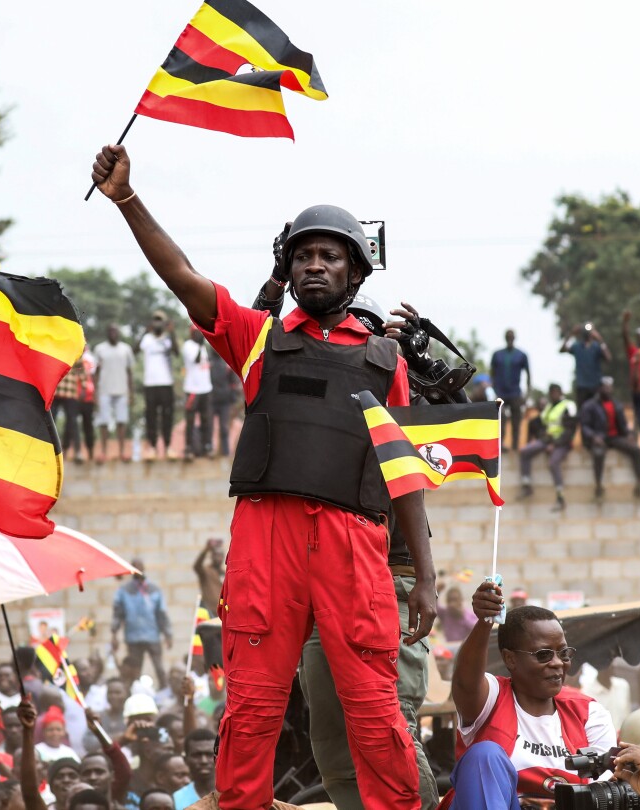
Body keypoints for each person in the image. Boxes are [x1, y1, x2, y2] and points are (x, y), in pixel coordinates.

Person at [92, 145, 433, 810]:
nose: (314, 264)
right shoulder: (257, 340)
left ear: (355, 271)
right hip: (266, 539)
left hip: (353, 545)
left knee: (374, 709)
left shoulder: (386, 361)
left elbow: (404, 476)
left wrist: (424, 573)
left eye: (329, 255)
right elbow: (184, 278)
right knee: (249, 711)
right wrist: (127, 200)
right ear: (287, 266)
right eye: (303, 254)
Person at [449, 584, 616, 810]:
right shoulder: (493, 697)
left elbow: (602, 793)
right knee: (484, 755)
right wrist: (484, 622)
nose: (557, 663)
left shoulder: (589, 713)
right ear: (510, 659)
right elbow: (465, 682)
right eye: (543, 654)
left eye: (563, 653)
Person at [579, 376, 640, 499]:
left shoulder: (616, 404)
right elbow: (585, 426)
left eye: (609, 387)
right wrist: (593, 437)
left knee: (636, 450)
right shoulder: (590, 405)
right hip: (600, 437)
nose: (608, 390)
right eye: (605, 387)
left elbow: (622, 424)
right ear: (600, 389)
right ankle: (599, 485)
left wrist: (628, 434)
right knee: (598, 454)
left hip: (615, 437)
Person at [111, 561, 172, 689]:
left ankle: (165, 690)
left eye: (139, 567)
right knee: (135, 669)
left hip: (152, 635)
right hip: (133, 637)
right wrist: (114, 634)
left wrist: (168, 634)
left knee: (159, 667)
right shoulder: (124, 591)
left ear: (144, 569)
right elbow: (118, 614)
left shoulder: (154, 589)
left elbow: (161, 613)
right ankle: (135, 691)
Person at [518, 383, 577, 511]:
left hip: (562, 442)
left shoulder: (569, 406)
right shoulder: (549, 407)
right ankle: (526, 484)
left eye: (555, 392)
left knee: (553, 463)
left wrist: (555, 444)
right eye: (551, 392)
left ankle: (560, 497)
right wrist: (541, 439)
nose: (553, 395)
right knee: (524, 452)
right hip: (547, 440)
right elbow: (540, 424)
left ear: (560, 392)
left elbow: (570, 430)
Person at [136, 312, 178, 461]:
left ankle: (168, 447)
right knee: (151, 417)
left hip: (166, 383)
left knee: (167, 416)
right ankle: (152, 448)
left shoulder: (167, 339)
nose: (158, 324)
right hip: (150, 384)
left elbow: (177, 352)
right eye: (155, 321)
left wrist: (171, 333)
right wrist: (144, 332)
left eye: (160, 321)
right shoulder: (147, 339)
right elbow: (135, 350)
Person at [93, 326, 135, 463]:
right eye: (110, 331)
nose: (113, 333)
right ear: (107, 334)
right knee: (104, 422)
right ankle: (104, 452)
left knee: (121, 421)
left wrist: (131, 393)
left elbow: (129, 373)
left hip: (122, 391)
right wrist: (95, 392)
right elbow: (96, 373)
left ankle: (122, 452)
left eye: (115, 331)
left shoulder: (126, 349)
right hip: (104, 390)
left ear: (119, 334)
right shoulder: (100, 349)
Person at [489, 329, 531, 450]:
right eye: (508, 336)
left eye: (511, 336)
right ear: (505, 338)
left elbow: (528, 375)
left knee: (516, 420)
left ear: (514, 338)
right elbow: (491, 373)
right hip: (500, 392)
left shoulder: (521, 355)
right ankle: (500, 446)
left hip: (515, 393)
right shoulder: (497, 354)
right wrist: (493, 389)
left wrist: (527, 395)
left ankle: (515, 446)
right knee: (500, 418)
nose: (510, 338)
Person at [181, 327, 214, 460]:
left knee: (206, 419)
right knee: (190, 420)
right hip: (192, 390)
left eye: (200, 332)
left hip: (205, 389)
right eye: (196, 332)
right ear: (191, 333)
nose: (199, 334)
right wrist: (200, 346)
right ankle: (188, 448)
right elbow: (195, 361)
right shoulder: (188, 346)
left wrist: (202, 346)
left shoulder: (203, 346)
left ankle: (206, 446)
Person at [562, 323, 611, 407]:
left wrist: (600, 340)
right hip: (582, 386)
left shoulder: (597, 347)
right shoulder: (577, 346)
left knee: (597, 411)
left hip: (596, 386)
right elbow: (562, 349)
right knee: (583, 412)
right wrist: (571, 334)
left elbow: (608, 358)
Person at [207, 348, 240, 458]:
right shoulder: (208, 361)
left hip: (224, 400)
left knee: (224, 428)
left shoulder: (227, 362)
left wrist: (233, 398)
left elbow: (233, 382)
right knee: (209, 426)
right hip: (211, 399)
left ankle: (225, 452)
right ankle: (209, 449)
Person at [172, 729, 215, 810]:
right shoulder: (176, 799)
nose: (204, 761)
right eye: (197, 755)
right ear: (185, 759)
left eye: (209, 754)